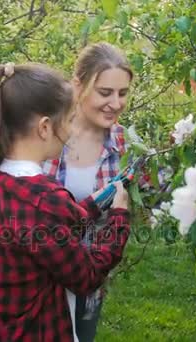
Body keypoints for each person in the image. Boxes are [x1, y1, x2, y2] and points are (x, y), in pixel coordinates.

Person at [0, 62, 131, 341]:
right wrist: (119, 219)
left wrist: (102, 197)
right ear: (44, 127)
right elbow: (86, 275)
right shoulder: (42, 201)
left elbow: (51, 231)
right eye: (67, 121)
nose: (69, 131)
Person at [43, 42, 134, 342]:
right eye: (105, 92)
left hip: (90, 275)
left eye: (122, 93)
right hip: (42, 276)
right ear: (78, 85)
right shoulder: (47, 134)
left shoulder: (125, 144)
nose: (116, 103)